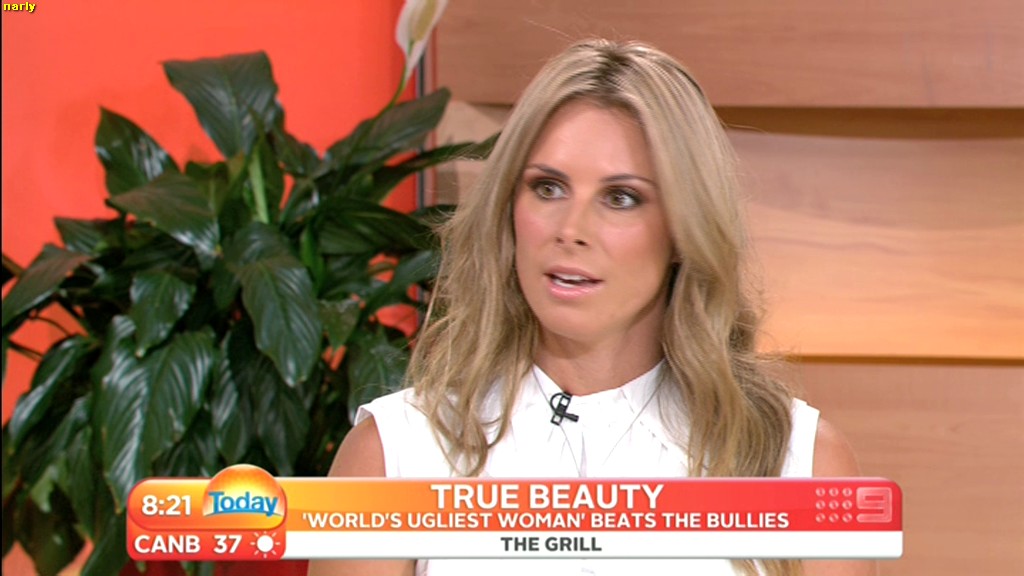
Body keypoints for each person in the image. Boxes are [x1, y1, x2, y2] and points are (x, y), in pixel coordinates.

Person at [309, 39, 875, 576]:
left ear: (684, 230)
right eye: (548, 188)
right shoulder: (395, 454)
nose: (571, 229)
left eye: (620, 198)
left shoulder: (801, 464)